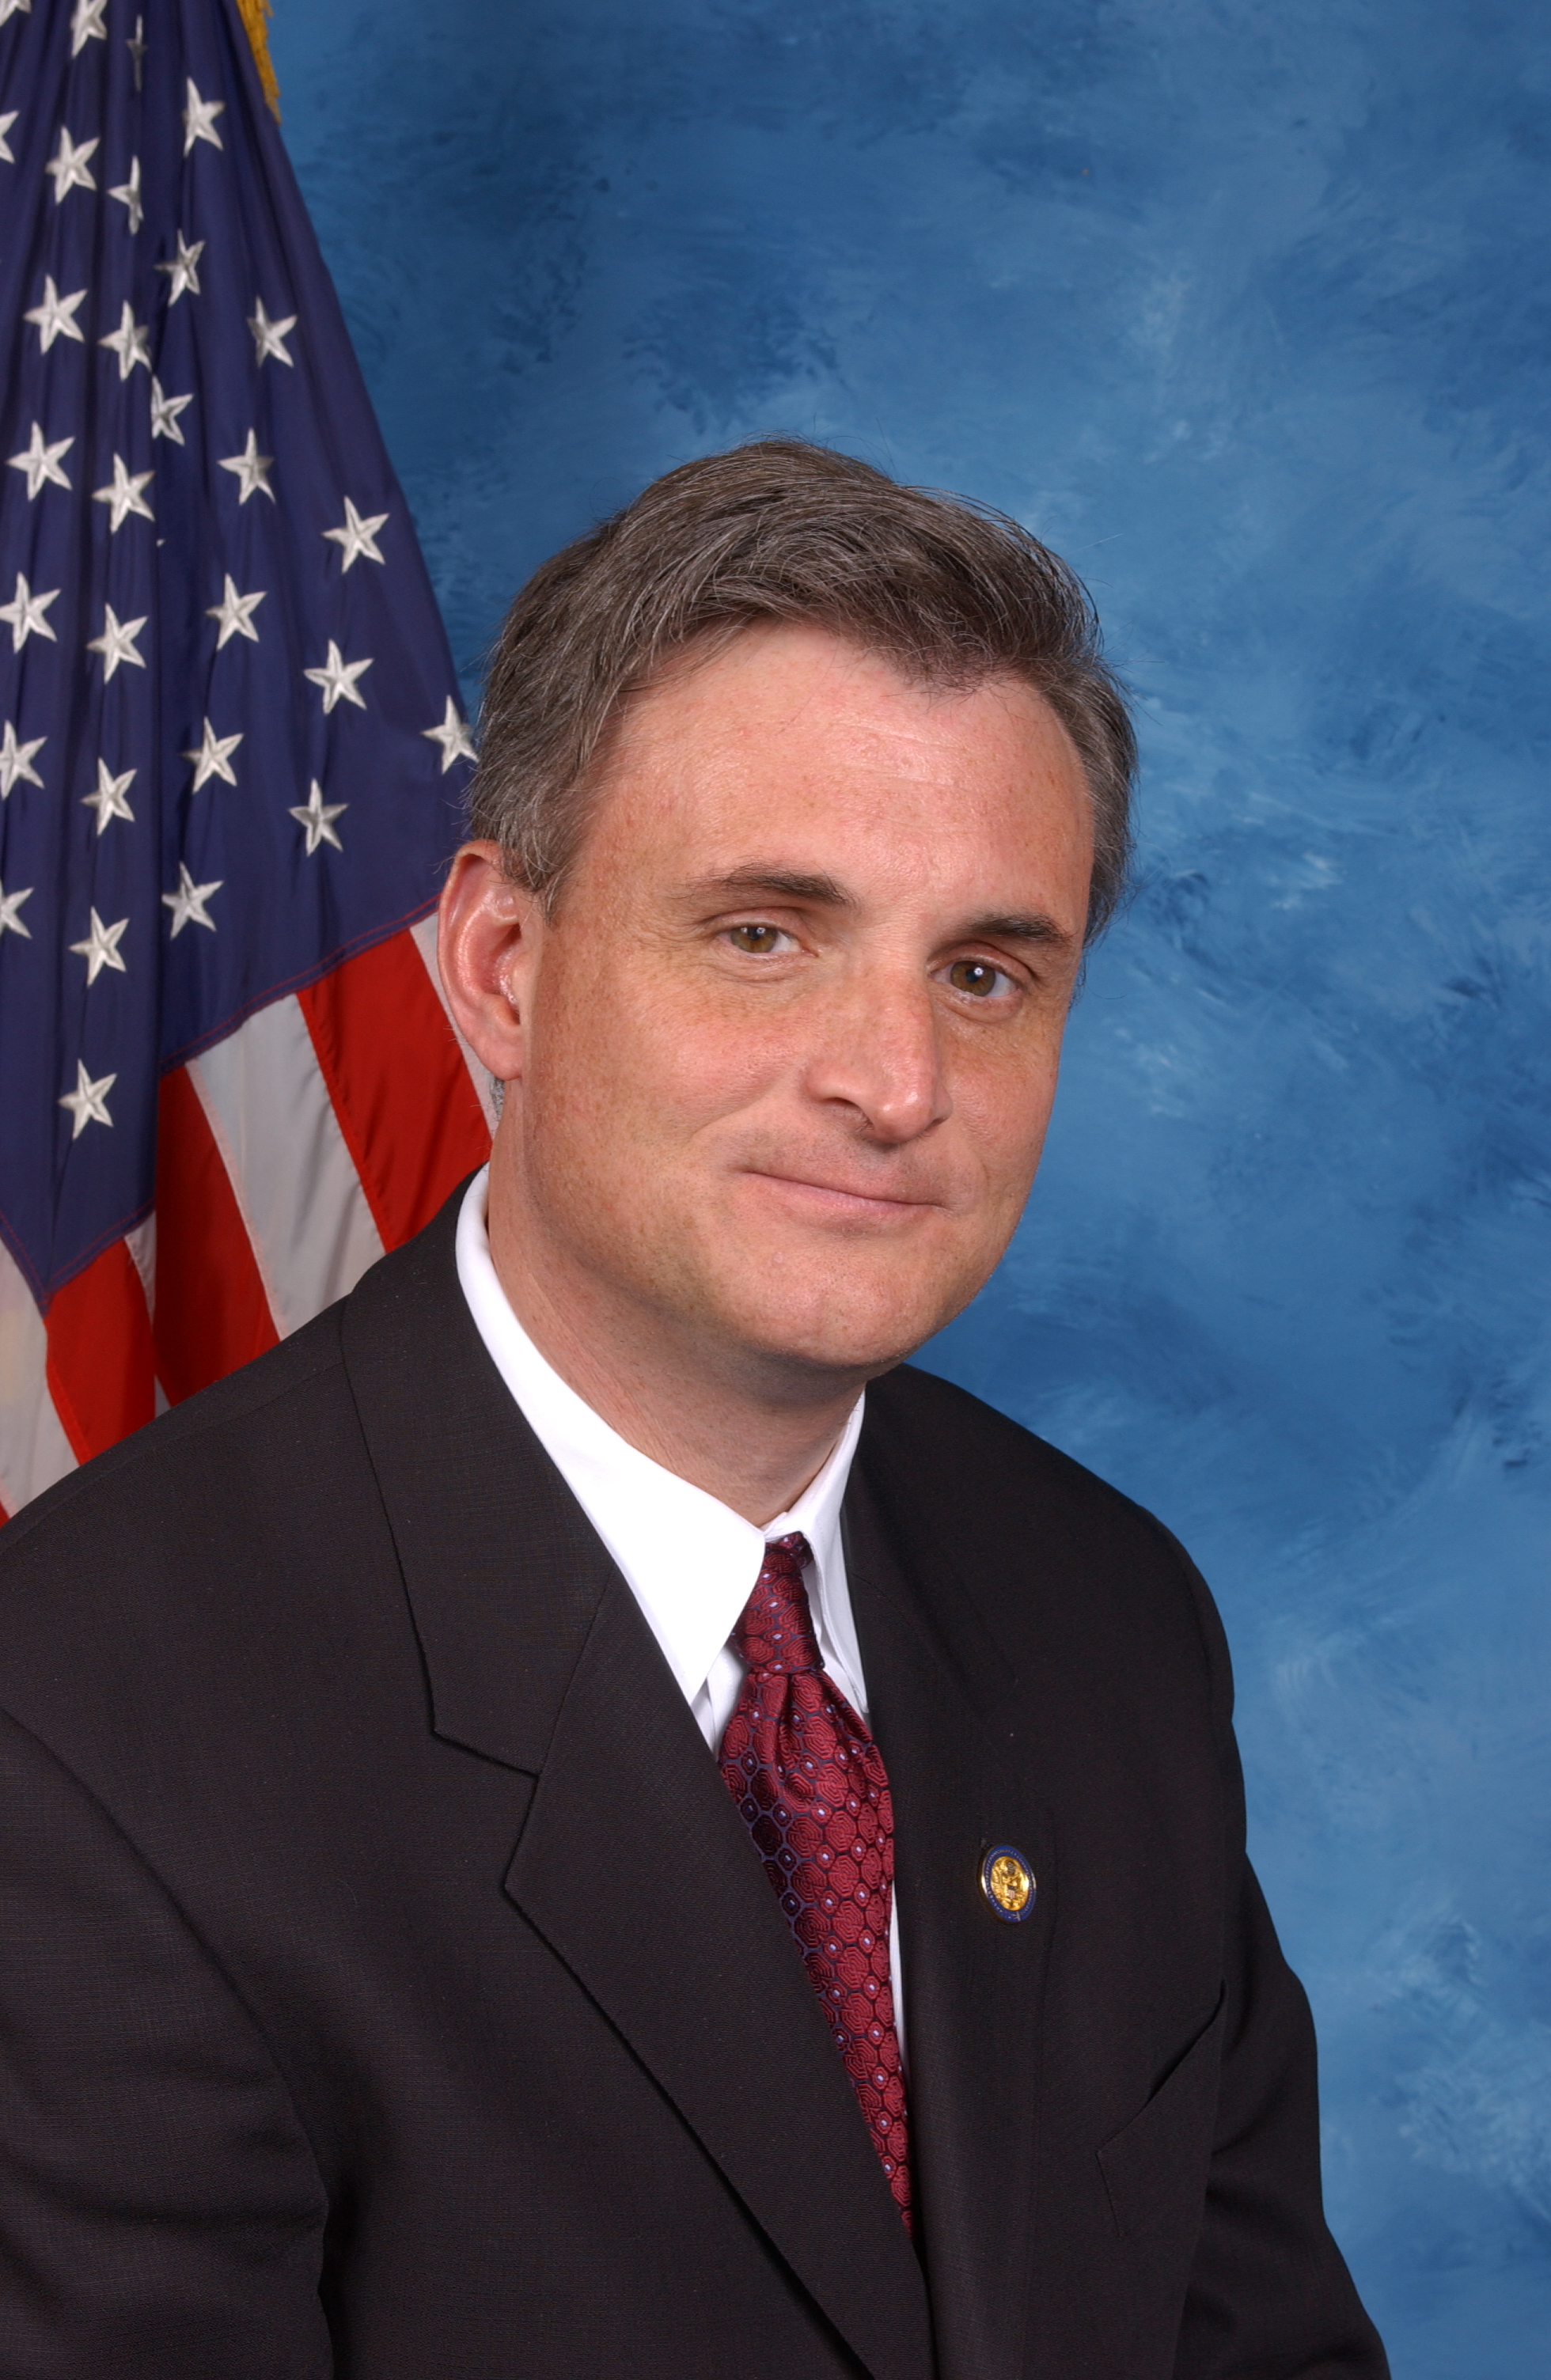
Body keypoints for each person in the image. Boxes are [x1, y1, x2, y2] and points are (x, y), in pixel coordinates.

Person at [0, 441, 1388, 2379]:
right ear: (501, 968)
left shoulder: (1106, 1613)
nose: (894, 1082)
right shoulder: (79, 1726)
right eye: (762, 934)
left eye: (984, 971)